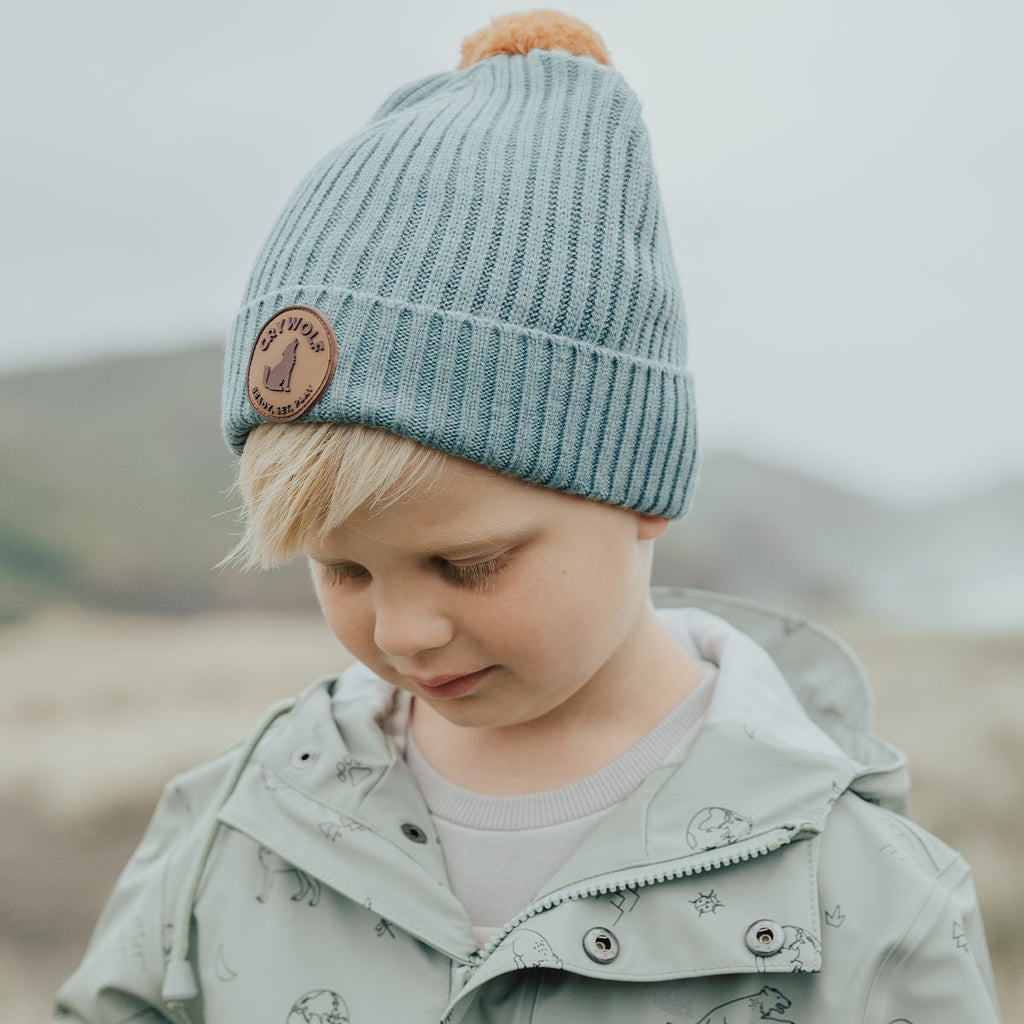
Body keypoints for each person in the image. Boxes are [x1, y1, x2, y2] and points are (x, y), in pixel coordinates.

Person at [54, 10, 1001, 1024]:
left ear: (637, 488)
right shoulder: (233, 820)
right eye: (343, 570)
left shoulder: (869, 897)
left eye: (465, 563)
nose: (403, 631)